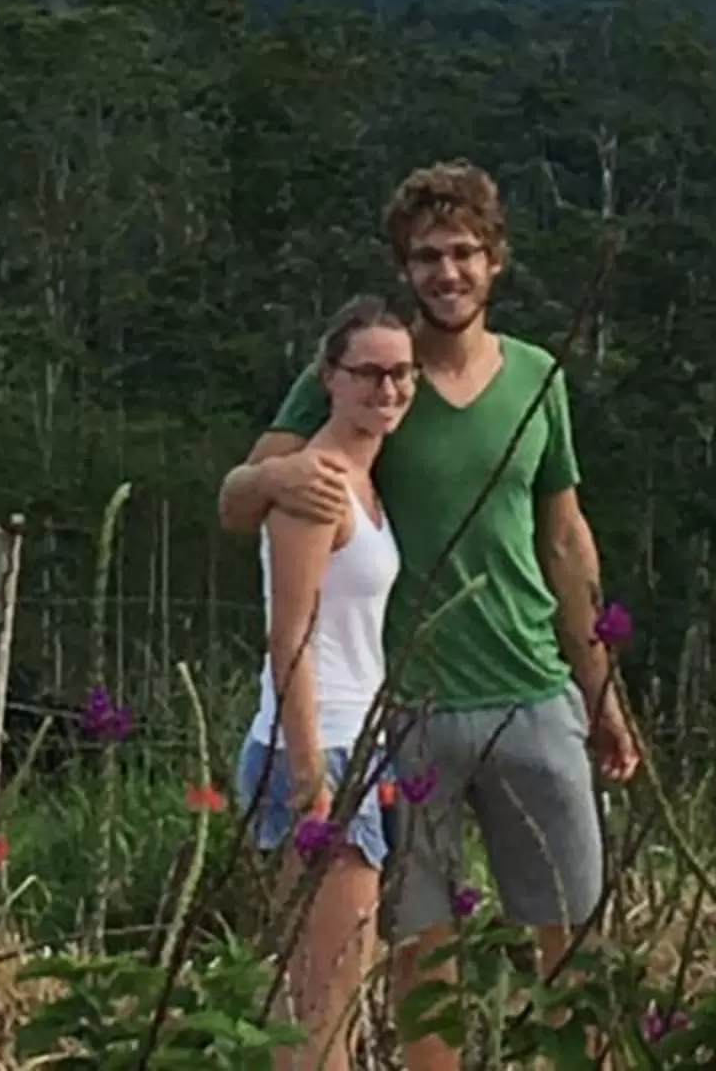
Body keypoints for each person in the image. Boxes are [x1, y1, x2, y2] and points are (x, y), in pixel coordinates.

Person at [220, 164, 638, 1071]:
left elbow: (564, 540)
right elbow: (248, 492)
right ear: (404, 269)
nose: (446, 273)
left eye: (462, 254)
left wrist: (601, 689)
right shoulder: (370, 371)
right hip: (404, 709)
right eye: (426, 257)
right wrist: (269, 479)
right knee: (423, 954)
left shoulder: (538, 377)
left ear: (495, 262)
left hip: (532, 691)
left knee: (574, 937)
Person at [235, 293, 416, 1071]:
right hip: (321, 749)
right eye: (368, 373)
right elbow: (292, 637)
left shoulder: (364, 482)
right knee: (327, 1002)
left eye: (402, 375)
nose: (388, 391)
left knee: (319, 993)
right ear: (329, 379)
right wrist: (312, 779)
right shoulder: (312, 486)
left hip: (355, 744)